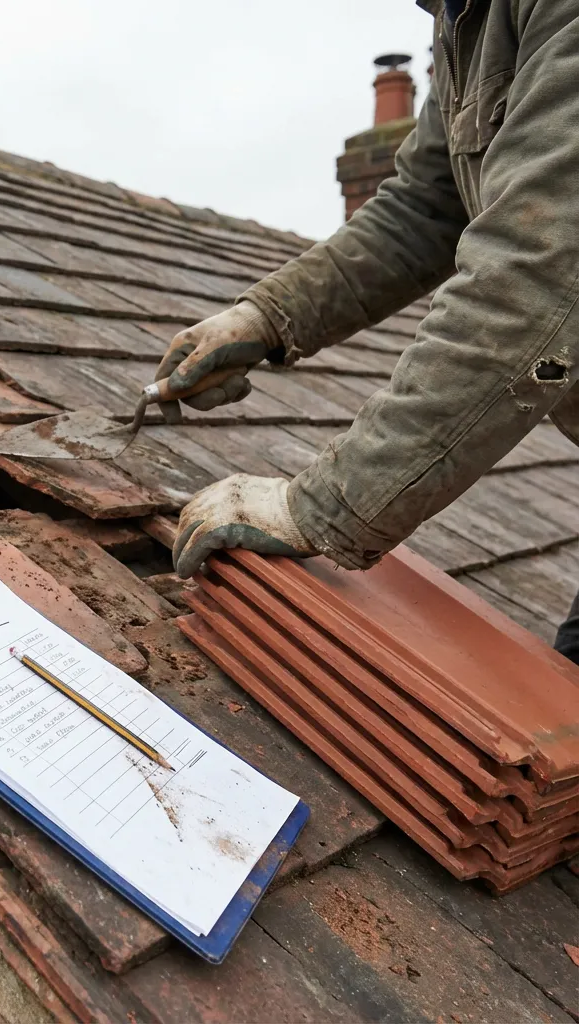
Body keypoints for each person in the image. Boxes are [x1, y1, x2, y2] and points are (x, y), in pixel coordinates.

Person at [155, 0, 579, 665]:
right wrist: (265, 316)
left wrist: (320, 507)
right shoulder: (469, 21)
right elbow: (423, 207)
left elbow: (538, 275)